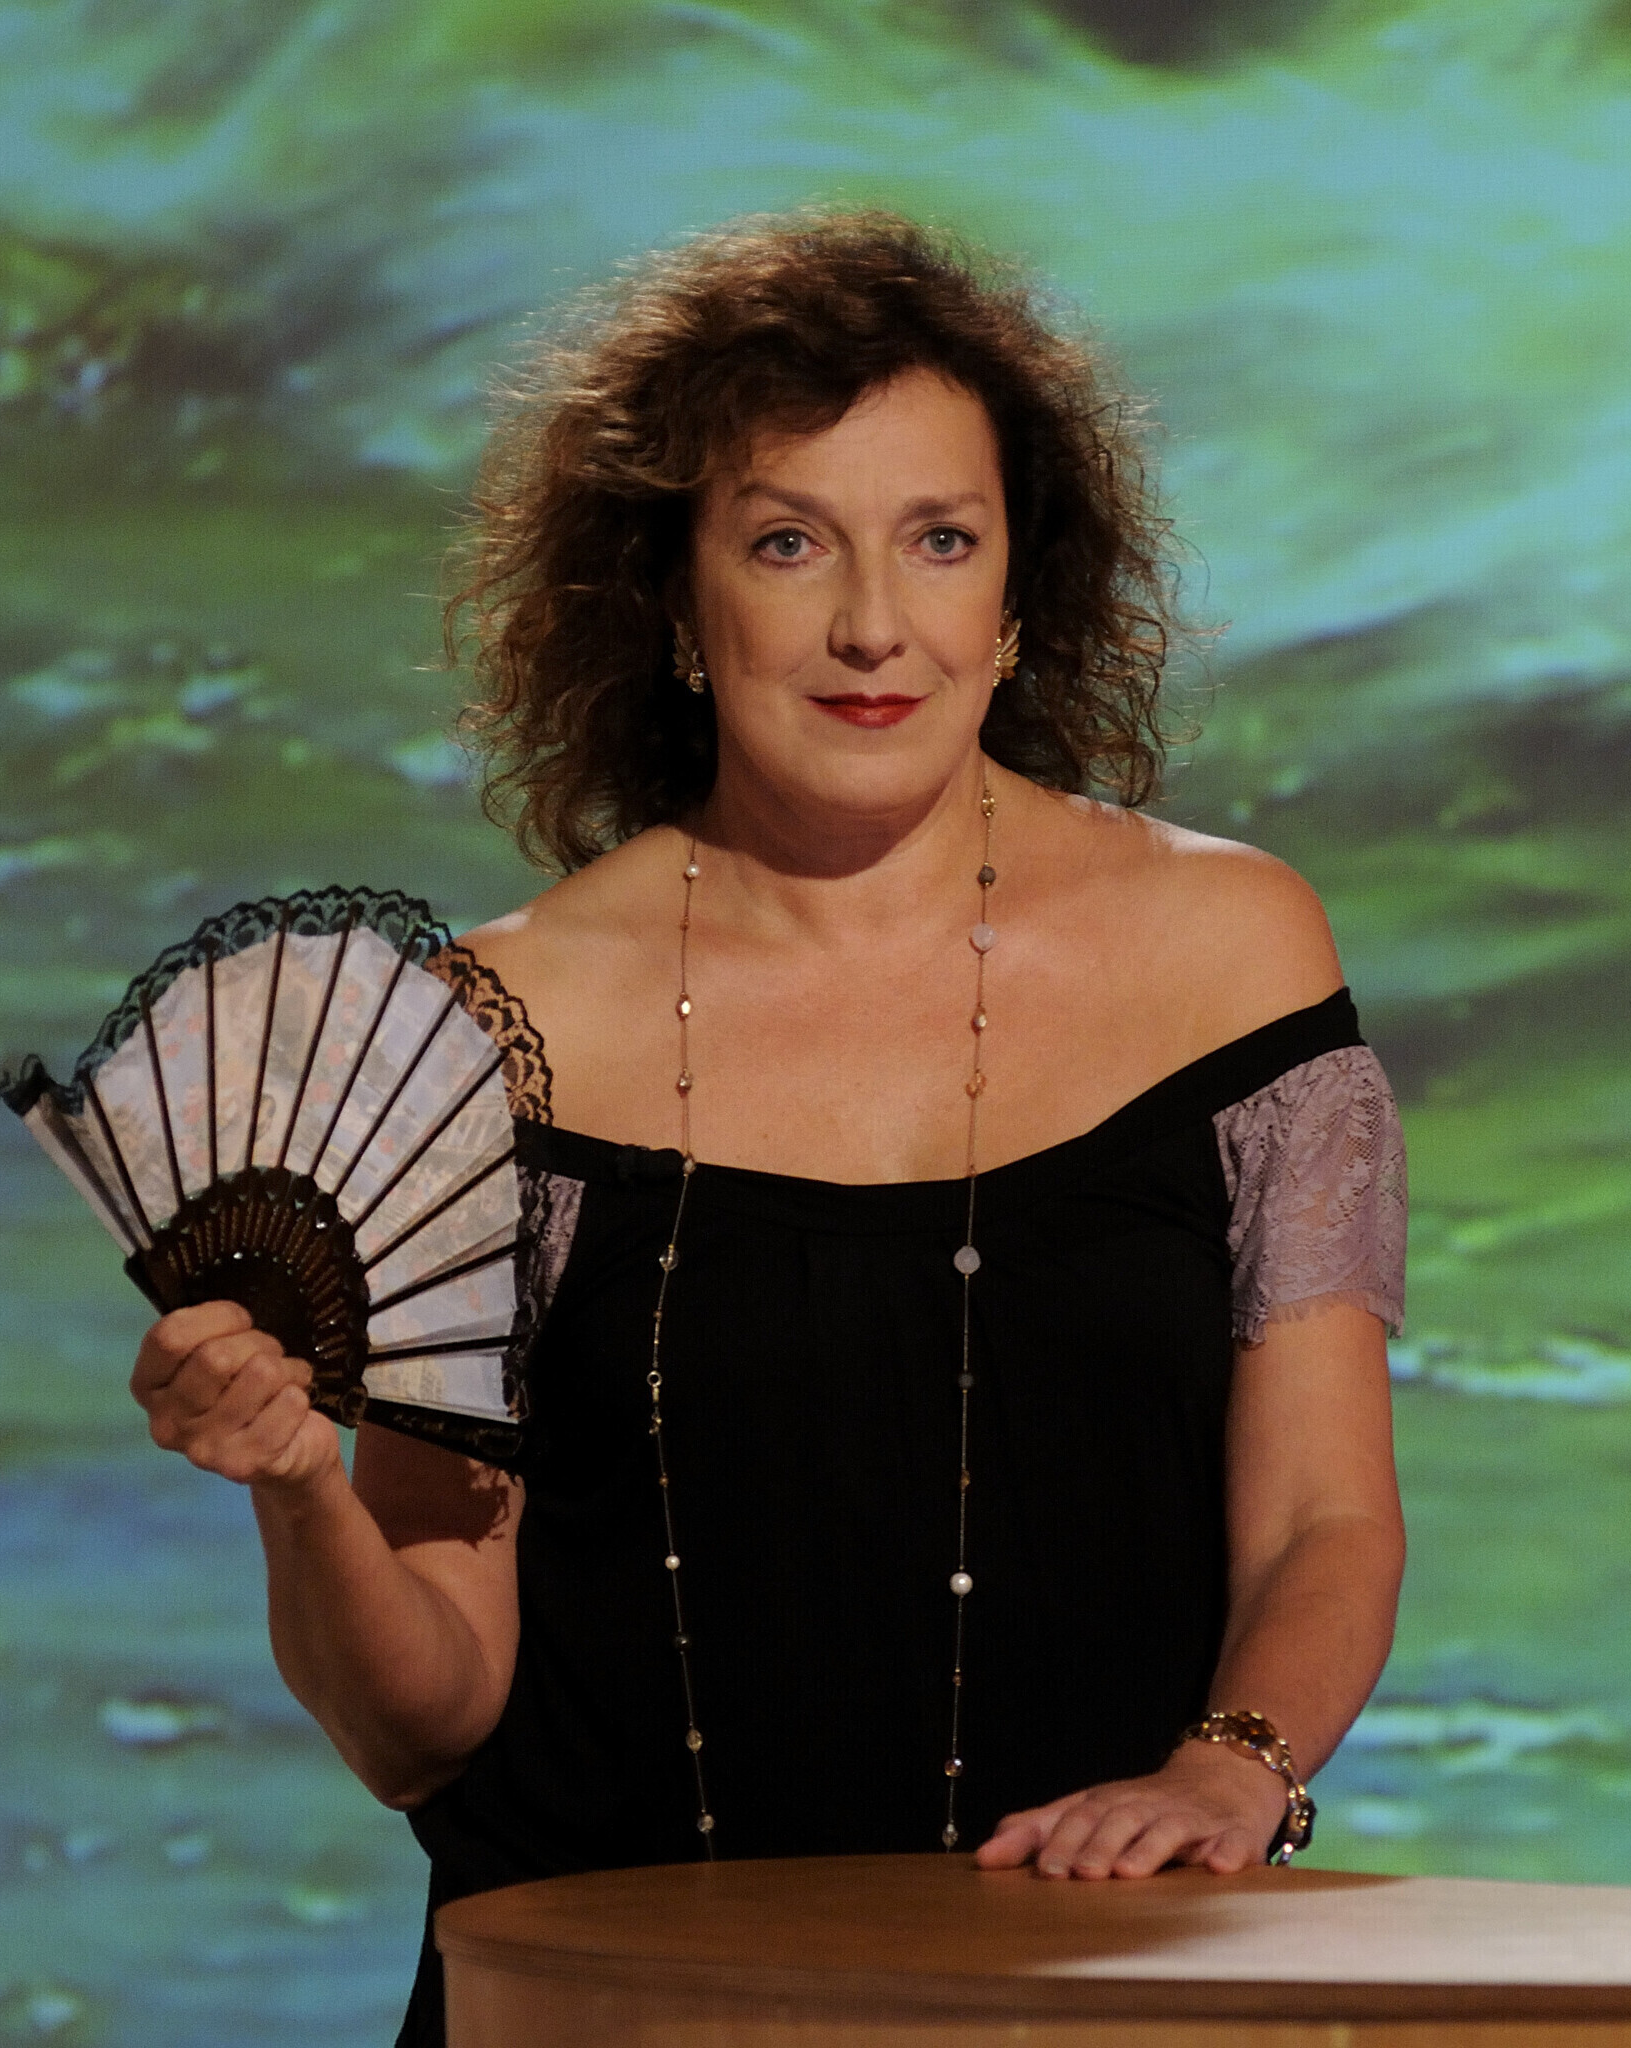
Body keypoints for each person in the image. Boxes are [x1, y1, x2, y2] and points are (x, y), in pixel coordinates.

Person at [125, 208, 1408, 2042]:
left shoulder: (1234, 955)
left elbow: (1322, 1521)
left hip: (1099, 2006)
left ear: (1018, 594)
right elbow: (425, 1720)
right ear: (672, 602)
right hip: (605, 2017)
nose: (874, 624)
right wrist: (297, 1492)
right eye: (790, 542)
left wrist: (1231, 1770)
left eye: (940, 540)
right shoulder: (491, 1039)